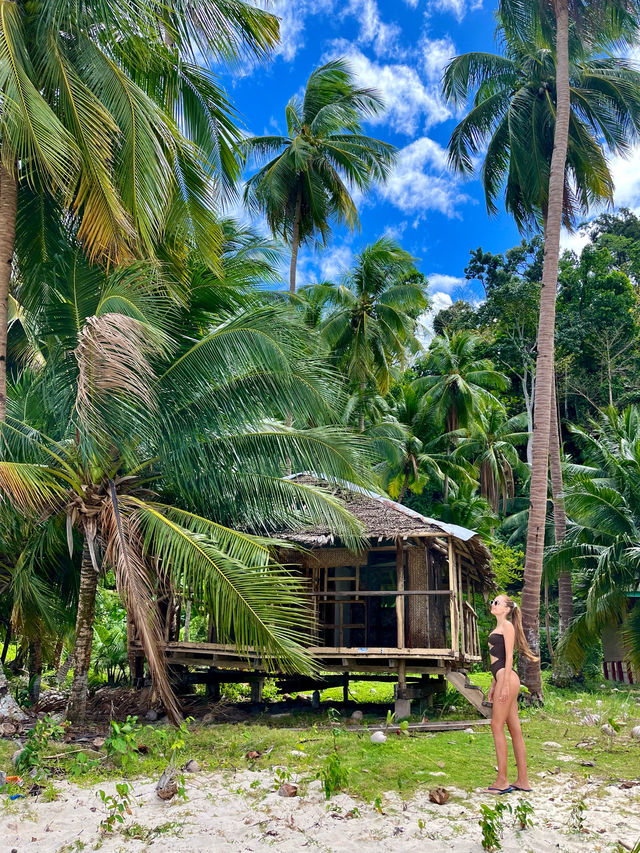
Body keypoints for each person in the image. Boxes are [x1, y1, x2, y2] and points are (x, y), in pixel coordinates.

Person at [485, 594, 538, 794]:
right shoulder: (499, 628)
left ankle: (502, 781)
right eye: (493, 601)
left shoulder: (507, 627)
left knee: (496, 725)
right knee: (514, 730)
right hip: (501, 678)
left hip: (507, 679)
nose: (493, 604)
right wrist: (494, 684)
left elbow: (509, 659)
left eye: (497, 602)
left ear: (507, 609)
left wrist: (504, 684)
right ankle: (523, 780)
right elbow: (495, 661)